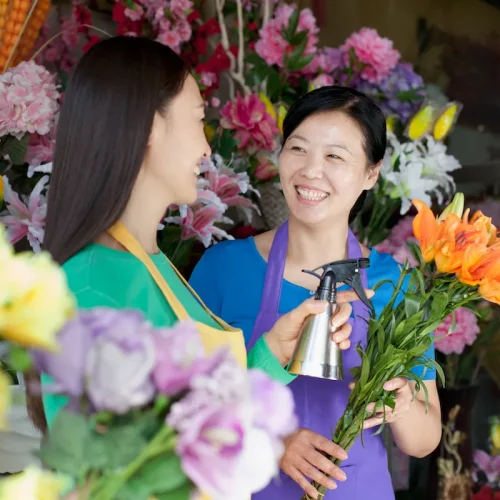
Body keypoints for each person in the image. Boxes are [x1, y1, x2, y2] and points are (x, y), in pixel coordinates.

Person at [25, 37, 362, 452]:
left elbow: (193, 418)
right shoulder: (92, 285)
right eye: (198, 119)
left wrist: (273, 351)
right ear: (150, 127)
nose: (206, 148)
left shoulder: (152, 266)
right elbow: (122, 470)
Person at [189, 86, 442, 500]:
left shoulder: (394, 285)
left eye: (335, 157)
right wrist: (274, 442)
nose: (310, 170)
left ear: (371, 173)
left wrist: (402, 406)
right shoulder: (222, 268)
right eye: (298, 149)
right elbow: (184, 405)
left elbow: (423, 440)